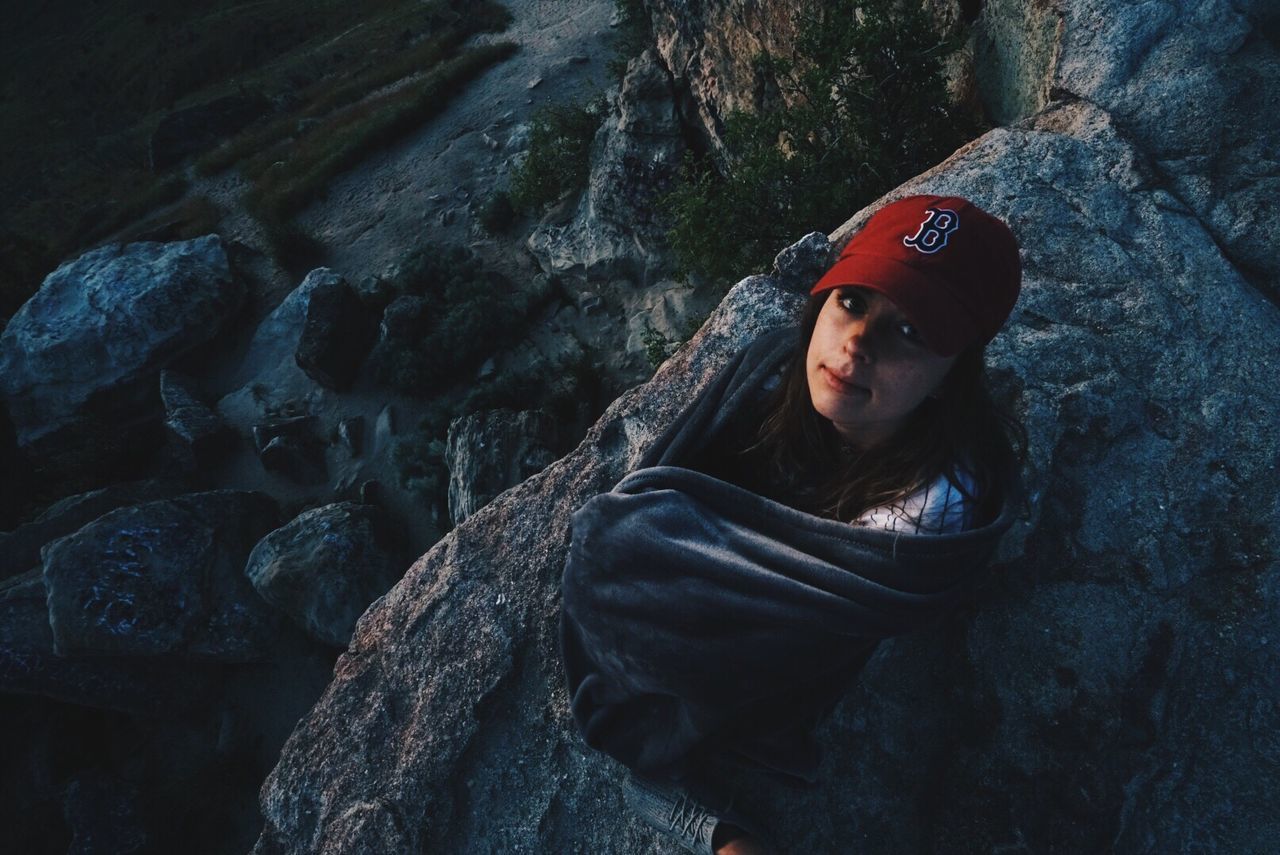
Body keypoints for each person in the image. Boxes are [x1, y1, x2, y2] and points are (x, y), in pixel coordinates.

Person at [560, 195, 1026, 855]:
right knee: (607, 546)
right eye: (853, 301)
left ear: (953, 375)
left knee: (609, 552)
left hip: (768, 672)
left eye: (910, 331)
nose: (857, 342)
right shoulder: (775, 370)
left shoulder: (927, 513)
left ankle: (698, 803)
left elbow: (790, 609)